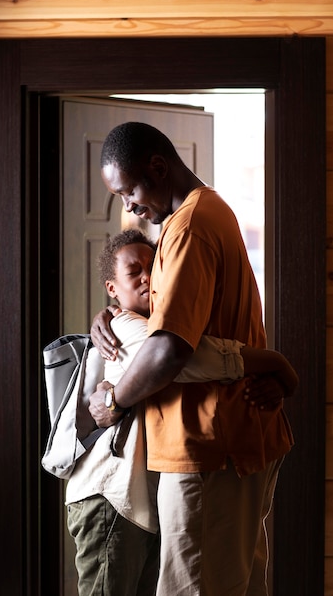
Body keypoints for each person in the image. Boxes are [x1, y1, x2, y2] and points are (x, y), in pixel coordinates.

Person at [88, 122, 298, 596]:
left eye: (130, 191)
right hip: (230, 438)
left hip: (208, 443)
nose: (129, 207)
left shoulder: (188, 228)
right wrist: (115, 312)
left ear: (158, 168)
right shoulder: (207, 213)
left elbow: (169, 350)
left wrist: (114, 401)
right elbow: (169, 316)